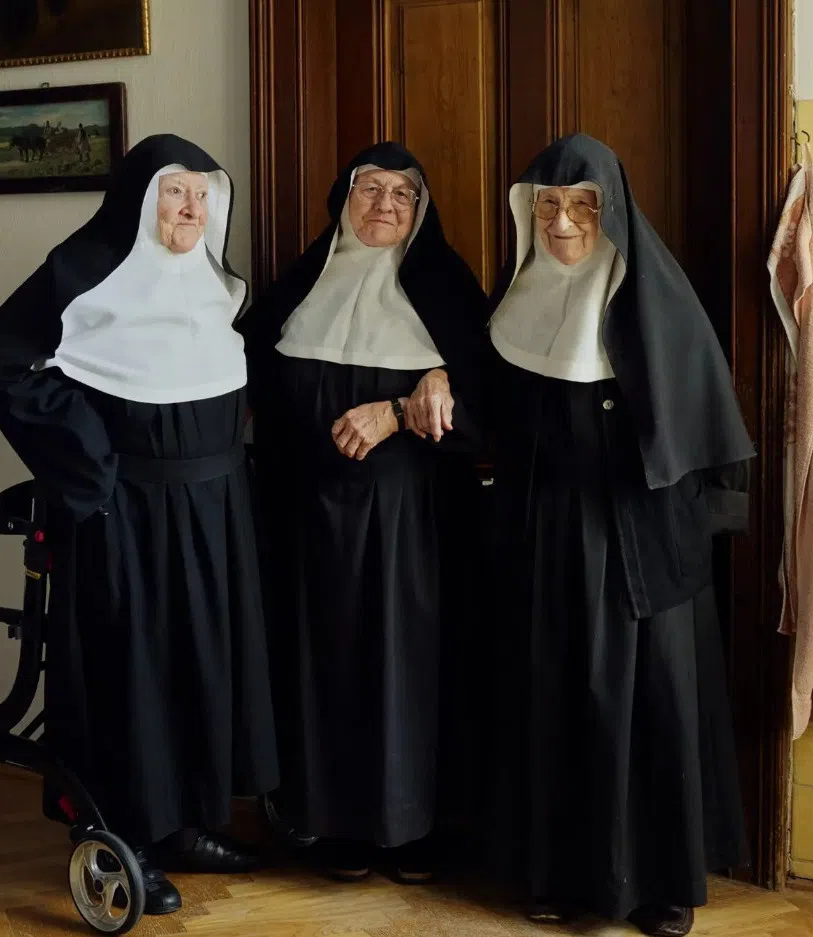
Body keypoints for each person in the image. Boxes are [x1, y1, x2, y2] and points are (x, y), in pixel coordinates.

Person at [0, 134, 279, 916]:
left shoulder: (217, 284)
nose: (191, 209)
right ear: (138, 201)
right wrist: (89, 465)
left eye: (201, 194)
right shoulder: (81, 273)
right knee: (130, 674)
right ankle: (121, 835)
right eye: (174, 192)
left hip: (214, 509)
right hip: (125, 515)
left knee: (201, 663)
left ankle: (184, 825)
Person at [484, 134, 754, 937]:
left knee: (649, 704)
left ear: (613, 213)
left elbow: (707, 428)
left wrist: (706, 531)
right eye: (547, 205)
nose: (563, 222)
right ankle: (559, 874)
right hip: (547, 532)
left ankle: (663, 884)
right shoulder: (517, 295)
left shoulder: (658, 301)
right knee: (555, 697)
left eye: (582, 205)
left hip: (642, 537)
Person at [238, 142, 488, 883]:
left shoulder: (447, 287)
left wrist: (420, 395)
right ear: (342, 200)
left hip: (413, 523)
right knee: (322, 667)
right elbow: (247, 382)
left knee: (409, 669)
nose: (385, 204)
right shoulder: (299, 283)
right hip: (305, 517)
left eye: (402, 193)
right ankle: (331, 822)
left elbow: (497, 405)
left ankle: (415, 830)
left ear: (421, 209)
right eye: (369, 189)